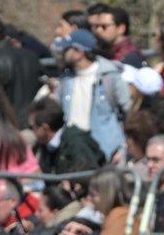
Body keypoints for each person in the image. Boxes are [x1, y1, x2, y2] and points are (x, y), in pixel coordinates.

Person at [52, 28, 133, 161]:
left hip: (106, 150)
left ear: (79, 52)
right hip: (73, 147)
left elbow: (129, 112)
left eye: (67, 49)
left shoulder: (110, 77)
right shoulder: (65, 80)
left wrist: (124, 147)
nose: (63, 53)